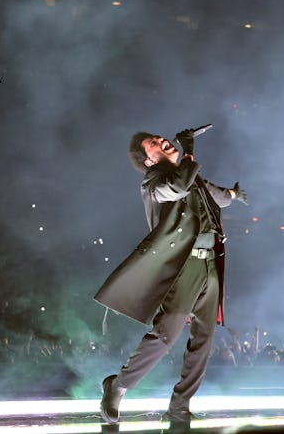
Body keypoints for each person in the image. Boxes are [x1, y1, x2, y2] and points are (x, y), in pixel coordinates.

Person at [94, 127, 248, 430]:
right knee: (165, 335)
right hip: (184, 266)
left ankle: (180, 407)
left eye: (158, 136)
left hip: (210, 267)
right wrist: (188, 152)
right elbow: (177, 188)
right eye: (153, 143)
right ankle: (118, 386)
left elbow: (216, 196)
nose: (162, 140)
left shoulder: (191, 175)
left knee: (203, 342)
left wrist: (232, 194)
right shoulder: (153, 181)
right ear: (149, 160)